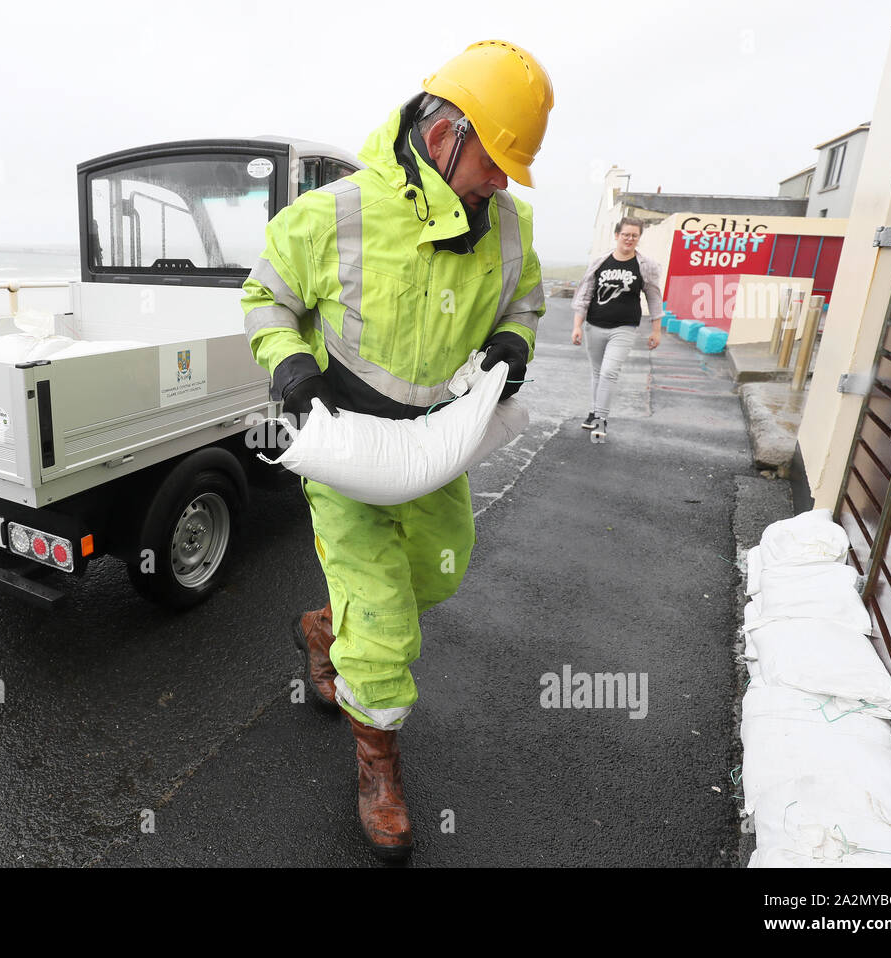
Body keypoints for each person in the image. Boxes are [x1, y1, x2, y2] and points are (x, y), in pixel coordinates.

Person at [240, 40, 553, 861]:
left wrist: (515, 346)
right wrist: (291, 366)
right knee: (383, 618)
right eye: (496, 160)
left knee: (438, 573)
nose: (502, 181)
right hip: (344, 447)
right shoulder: (333, 214)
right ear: (447, 132)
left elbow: (525, 304)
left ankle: (322, 628)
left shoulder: (508, 228)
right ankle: (379, 767)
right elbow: (263, 296)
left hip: (429, 445)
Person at [570, 216, 663, 442]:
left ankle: (601, 420)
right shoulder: (601, 263)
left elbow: (654, 296)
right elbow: (585, 295)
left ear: (638, 238)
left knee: (609, 372)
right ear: (617, 235)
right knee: (597, 373)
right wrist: (577, 326)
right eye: (626, 234)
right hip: (594, 326)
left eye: (634, 235)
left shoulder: (644, 266)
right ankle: (594, 412)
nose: (629, 239)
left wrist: (656, 329)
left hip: (624, 328)